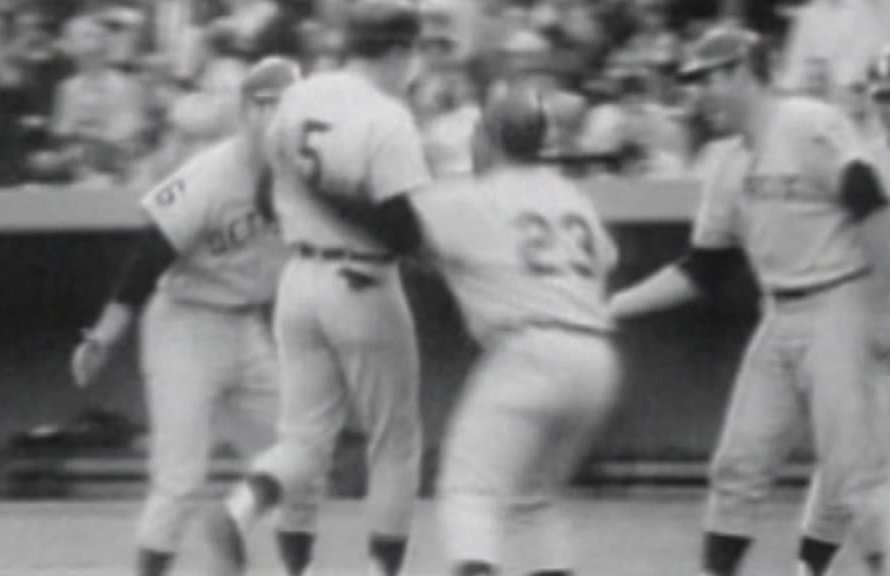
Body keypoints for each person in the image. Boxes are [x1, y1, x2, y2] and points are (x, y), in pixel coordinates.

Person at [609, 25, 890, 576]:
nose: (699, 94)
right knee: (738, 465)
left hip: (840, 303)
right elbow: (704, 268)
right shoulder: (730, 164)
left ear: (741, 70)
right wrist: (613, 307)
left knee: (857, 475)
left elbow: (867, 199)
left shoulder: (806, 121)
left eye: (707, 79)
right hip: (779, 312)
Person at [328, 79, 620, 576]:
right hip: (595, 360)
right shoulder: (570, 196)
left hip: (531, 352)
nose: (473, 140)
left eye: (479, 131)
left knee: (467, 492)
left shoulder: (474, 195)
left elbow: (398, 229)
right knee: (533, 500)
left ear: (493, 139)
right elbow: (603, 260)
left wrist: (327, 190)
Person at [203, 2, 429, 575]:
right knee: (394, 442)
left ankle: (241, 508)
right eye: (413, 51)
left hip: (298, 281)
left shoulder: (300, 94)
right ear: (399, 50)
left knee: (303, 440)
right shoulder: (388, 116)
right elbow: (403, 230)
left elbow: (261, 195)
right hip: (363, 281)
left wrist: (312, 217)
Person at [70, 57, 316, 576]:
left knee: (298, 459)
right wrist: (105, 336)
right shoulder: (213, 172)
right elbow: (151, 252)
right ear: (246, 110)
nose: (278, 119)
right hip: (184, 324)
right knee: (179, 479)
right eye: (268, 107)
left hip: (244, 328)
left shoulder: (307, 172)